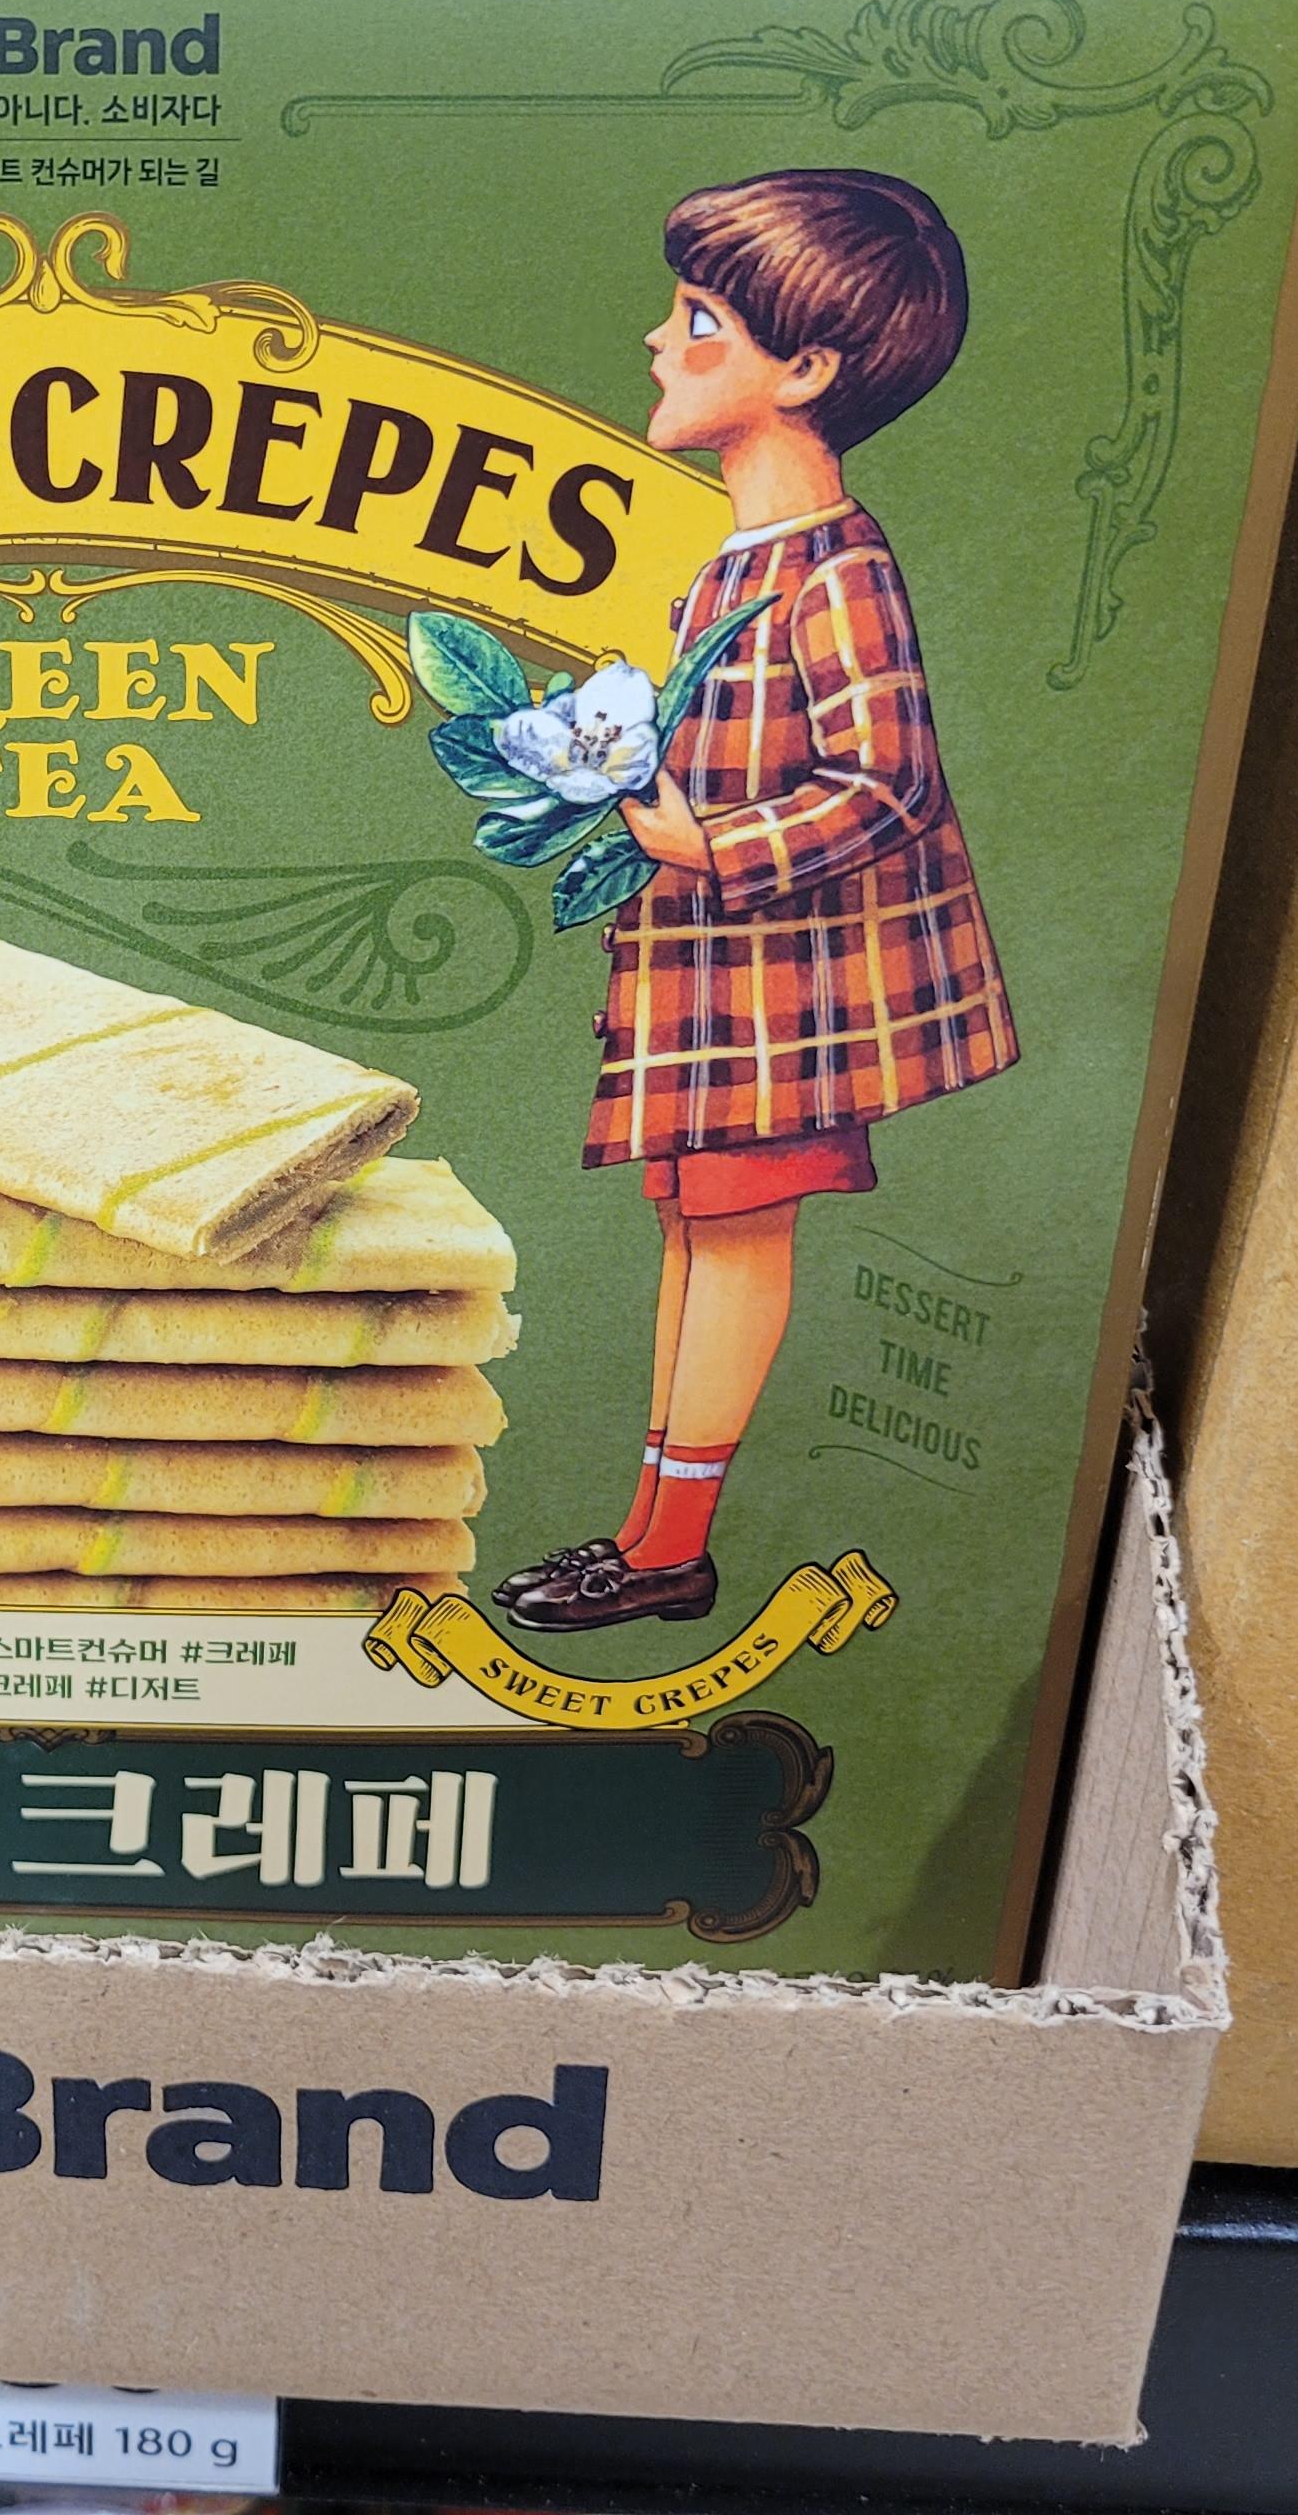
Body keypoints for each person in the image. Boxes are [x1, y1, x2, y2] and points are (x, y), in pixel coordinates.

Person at [498, 168, 1015, 1636]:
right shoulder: (740, 561)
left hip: (791, 995)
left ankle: (670, 1547)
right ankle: (653, 1531)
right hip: (715, 984)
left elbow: (889, 782)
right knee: (695, 1234)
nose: (661, 343)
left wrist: (709, 845)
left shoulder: (835, 569)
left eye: (700, 321)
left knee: (732, 1240)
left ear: (807, 371)